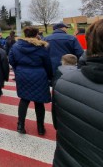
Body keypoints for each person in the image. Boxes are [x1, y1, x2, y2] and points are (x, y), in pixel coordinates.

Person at [52, 19, 103, 166]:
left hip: (64, 159)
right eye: (66, 27)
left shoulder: (62, 84)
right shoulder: (71, 38)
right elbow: (79, 52)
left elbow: (58, 123)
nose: (68, 30)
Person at [9, 27, 53, 135]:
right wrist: (50, 76)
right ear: (36, 34)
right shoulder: (42, 47)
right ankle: (40, 127)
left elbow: (11, 60)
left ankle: (20, 125)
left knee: (24, 100)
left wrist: (18, 69)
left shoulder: (16, 46)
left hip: (22, 74)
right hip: (39, 74)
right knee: (39, 102)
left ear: (25, 34)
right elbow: (47, 63)